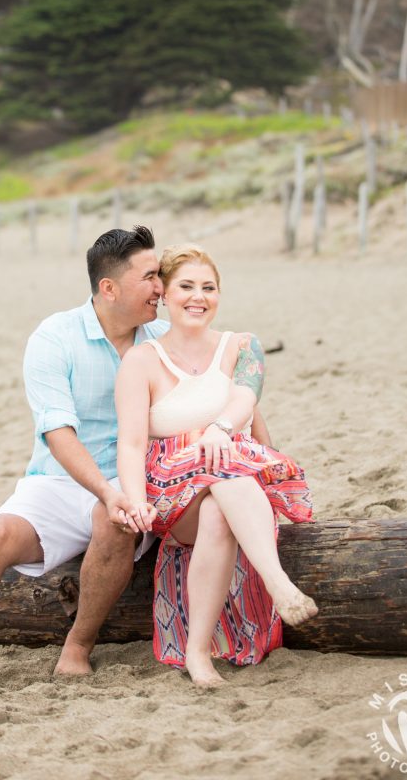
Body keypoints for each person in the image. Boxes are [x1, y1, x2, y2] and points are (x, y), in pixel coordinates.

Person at [0, 225, 168, 688]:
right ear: (109, 288)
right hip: (59, 478)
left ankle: (78, 645)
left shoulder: (163, 339)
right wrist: (103, 491)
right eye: (149, 277)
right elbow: (57, 433)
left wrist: (118, 495)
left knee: (116, 521)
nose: (160, 287)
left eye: (159, 275)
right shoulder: (55, 337)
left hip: (133, 479)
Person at [115, 244, 317, 688]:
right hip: (172, 491)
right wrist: (135, 501)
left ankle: (197, 653)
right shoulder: (141, 360)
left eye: (209, 287)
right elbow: (130, 443)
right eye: (186, 286)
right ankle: (279, 584)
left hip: (236, 476)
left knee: (220, 505)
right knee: (220, 473)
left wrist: (220, 429)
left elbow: (246, 397)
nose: (198, 297)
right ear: (165, 294)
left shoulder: (243, 347)